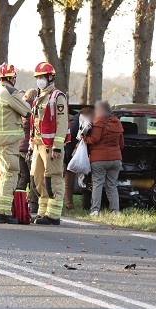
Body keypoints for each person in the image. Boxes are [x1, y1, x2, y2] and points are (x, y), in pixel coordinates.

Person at [0, 63, 31, 224]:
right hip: (7, 141)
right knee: (10, 173)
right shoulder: (10, 92)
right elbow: (27, 110)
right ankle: (3, 212)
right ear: (12, 78)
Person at [29, 62, 71, 225]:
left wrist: (58, 146)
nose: (39, 80)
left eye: (42, 77)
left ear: (50, 77)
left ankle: (53, 215)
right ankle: (42, 211)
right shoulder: (40, 96)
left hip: (51, 146)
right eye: (37, 77)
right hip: (39, 145)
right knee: (38, 178)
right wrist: (32, 142)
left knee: (52, 179)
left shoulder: (57, 96)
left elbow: (62, 123)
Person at [83, 100, 124, 216]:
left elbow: (94, 139)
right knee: (112, 184)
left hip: (99, 159)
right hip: (116, 159)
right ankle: (115, 211)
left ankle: (95, 210)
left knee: (98, 184)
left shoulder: (98, 121)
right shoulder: (117, 123)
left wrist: (84, 138)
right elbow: (121, 144)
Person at [65, 107, 94, 210]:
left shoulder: (78, 120)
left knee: (70, 179)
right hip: (72, 153)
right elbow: (70, 135)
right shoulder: (78, 121)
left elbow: (68, 135)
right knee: (70, 178)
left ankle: (69, 203)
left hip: (74, 153)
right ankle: (69, 203)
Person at [18, 88, 38, 191]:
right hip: (29, 147)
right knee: (32, 175)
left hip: (20, 145)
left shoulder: (20, 106)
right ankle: (32, 200)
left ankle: (17, 199)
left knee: (23, 175)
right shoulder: (34, 107)